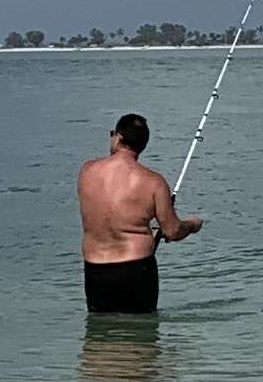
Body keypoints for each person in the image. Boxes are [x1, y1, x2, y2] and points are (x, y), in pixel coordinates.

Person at [79, 111, 202, 315]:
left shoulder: (86, 171)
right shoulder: (154, 182)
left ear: (118, 137)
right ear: (142, 145)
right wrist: (192, 225)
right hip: (136, 270)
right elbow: (172, 231)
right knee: (141, 342)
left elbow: (107, 214)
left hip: (96, 270)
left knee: (99, 341)